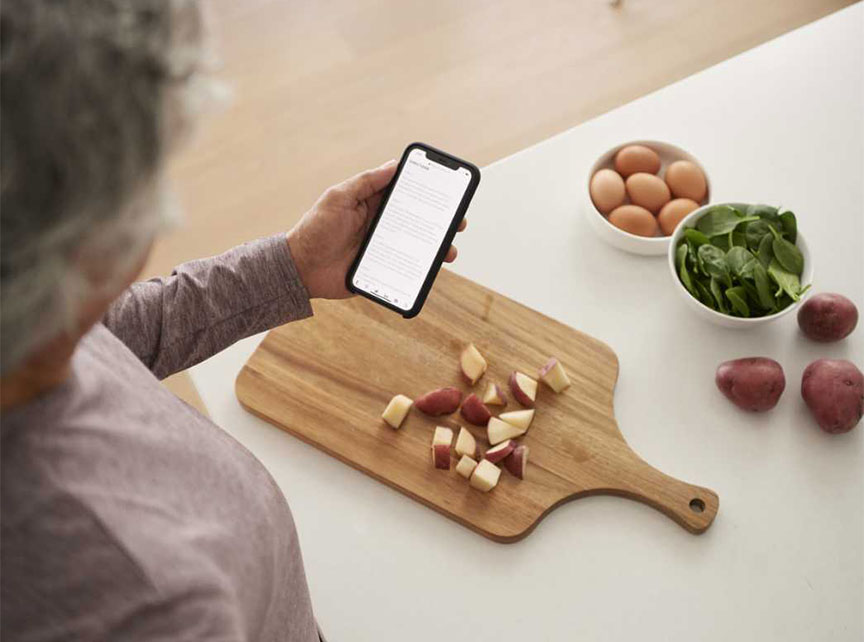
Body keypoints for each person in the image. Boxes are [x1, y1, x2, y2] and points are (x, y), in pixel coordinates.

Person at [0, 1, 465, 640]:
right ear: (91, 236)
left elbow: (103, 338)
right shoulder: (140, 601)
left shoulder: (30, 326)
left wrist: (290, 267)